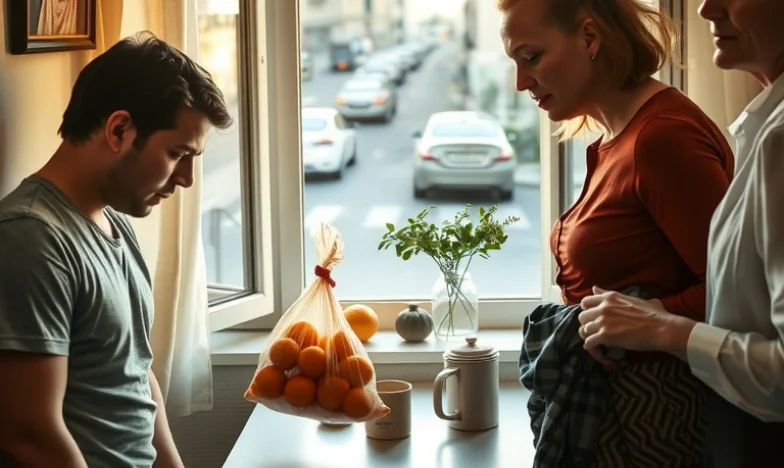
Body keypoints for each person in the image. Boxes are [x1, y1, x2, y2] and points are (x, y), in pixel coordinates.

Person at [499, 0, 735, 466]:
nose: (521, 83)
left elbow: (736, 292)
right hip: (619, 410)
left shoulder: (661, 138)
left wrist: (645, 318)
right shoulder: (617, 138)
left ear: (589, 38)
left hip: (652, 417)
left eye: (531, 58)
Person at [0, 32, 232, 467]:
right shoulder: (30, 239)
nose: (186, 179)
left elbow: (138, 378)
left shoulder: (115, 225)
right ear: (119, 129)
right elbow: (30, 437)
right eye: (177, 153)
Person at [578, 0, 784, 466]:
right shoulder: (764, 127)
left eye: (532, 57)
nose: (707, 9)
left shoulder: (773, 140)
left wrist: (662, 327)